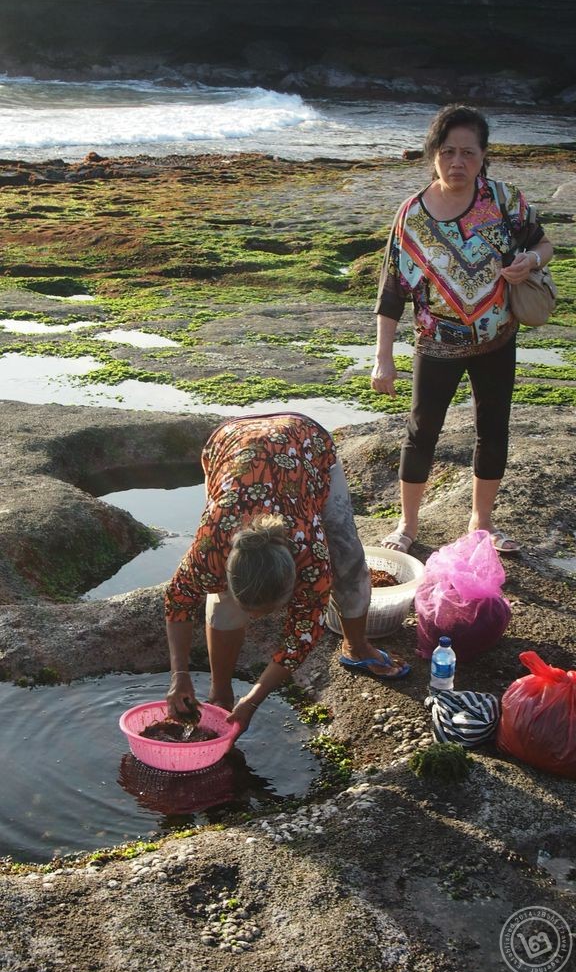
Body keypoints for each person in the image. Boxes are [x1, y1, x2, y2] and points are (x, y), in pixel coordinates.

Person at [371, 104, 553, 555]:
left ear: (483, 155)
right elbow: (391, 290)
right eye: (448, 151)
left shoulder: (506, 200)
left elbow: (543, 242)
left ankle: (481, 524)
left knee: (493, 429)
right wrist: (383, 357)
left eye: (468, 153)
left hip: (497, 339)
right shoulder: (412, 215)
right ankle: (408, 525)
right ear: (433, 154)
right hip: (435, 344)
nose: (458, 162)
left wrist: (530, 260)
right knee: (421, 431)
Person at [164, 412, 410, 731]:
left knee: (348, 558)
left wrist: (253, 699)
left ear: (295, 581)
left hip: (306, 444)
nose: (255, 620)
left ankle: (357, 646)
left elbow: (301, 635)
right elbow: (178, 599)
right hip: (232, 445)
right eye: (250, 610)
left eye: (265, 611)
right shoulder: (212, 547)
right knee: (221, 599)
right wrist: (179, 675)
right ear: (228, 569)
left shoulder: (313, 559)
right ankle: (220, 693)